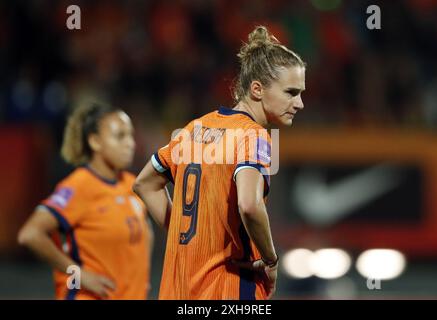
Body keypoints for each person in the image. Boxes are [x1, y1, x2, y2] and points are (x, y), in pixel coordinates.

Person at [134, 25, 306, 300]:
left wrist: (187, 233)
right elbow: (249, 205)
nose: (300, 103)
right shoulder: (254, 136)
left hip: (176, 291)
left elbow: (144, 184)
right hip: (228, 289)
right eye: (291, 92)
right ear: (258, 89)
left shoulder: (194, 128)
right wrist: (271, 260)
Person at [18, 103, 153, 300]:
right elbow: (30, 234)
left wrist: (142, 279)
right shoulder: (79, 186)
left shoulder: (132, 184)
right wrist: (80, 275)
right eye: (120, 136)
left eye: (131, 135)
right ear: (95, 142)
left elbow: (145, 230)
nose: (130, 143)